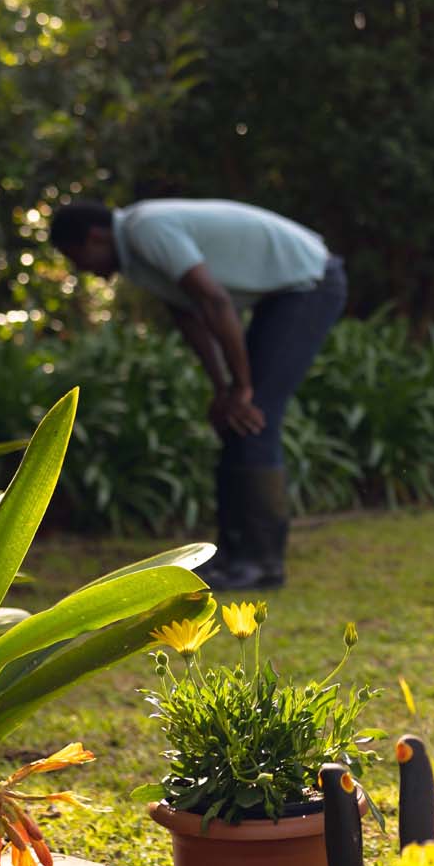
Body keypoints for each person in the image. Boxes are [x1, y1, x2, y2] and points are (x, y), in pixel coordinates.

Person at [50, 198, 346, 590]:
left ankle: (262, 563)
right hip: (286, 291)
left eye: (76, 257)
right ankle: (231, 556)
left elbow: (214, 300)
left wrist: (242, 388)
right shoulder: (136, 254)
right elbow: (189, 315)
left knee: (254, 418)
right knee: (234, 420)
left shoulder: (145, 230)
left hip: (311, 282)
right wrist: (223, 389)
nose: (82, 269)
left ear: (95, 238)